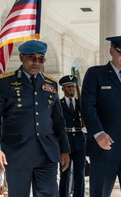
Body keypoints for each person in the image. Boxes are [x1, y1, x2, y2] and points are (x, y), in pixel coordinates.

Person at [0, 39, 70, 197]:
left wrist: (64, 149)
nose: (36, 63)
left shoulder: (50, 85)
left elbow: (58, 121)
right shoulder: (5, 83)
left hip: (46, 153)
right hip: (17, 153)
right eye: (32, 58)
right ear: (21, 57)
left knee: (49, 194)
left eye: (41, 59)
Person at [81, 36, 121, 197]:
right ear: (111, 51)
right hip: (105, 147)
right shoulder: (96, 74)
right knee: (99, 193)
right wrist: (97, 133)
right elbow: (87, 107)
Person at [58, 75, 86, 197]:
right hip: (66, 141)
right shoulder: (58, 104)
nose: (71, 89)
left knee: (80, 172)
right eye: (68, 87)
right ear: (63, 89)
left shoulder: (82, 104)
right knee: (65, 171)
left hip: (80, 140)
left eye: (73, 87)